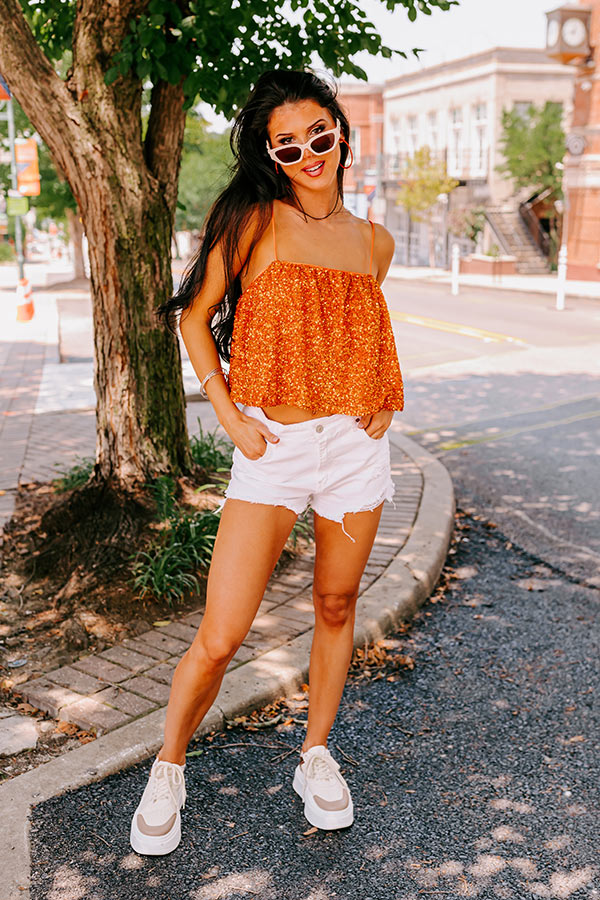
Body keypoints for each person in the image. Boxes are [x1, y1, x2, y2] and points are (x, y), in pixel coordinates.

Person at [129, 68, 404, 856]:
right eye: (289, 144)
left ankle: (314, 754)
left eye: (321, 134)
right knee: (221, 636)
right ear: (271, 153)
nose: (309, 152)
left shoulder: (372, 242)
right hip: (273, 450)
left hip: (354, 453)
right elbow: (195, 317)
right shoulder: (252, 220)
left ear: (340, 133)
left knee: (337, 608)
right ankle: (168, 765)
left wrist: (382, 398)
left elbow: (357, 336)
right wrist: (227, 415)